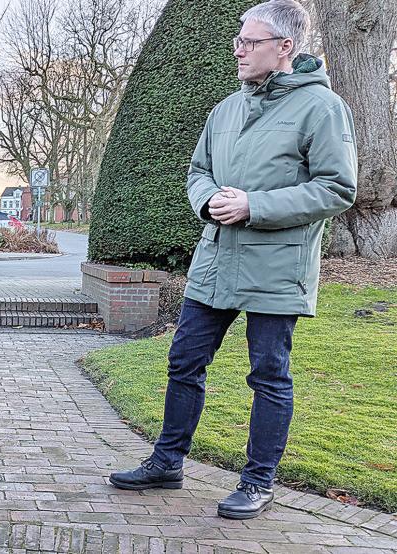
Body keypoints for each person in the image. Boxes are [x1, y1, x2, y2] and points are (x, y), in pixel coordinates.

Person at [108, 0, 357, 520]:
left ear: (285, 47)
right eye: (238, 39)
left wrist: (255, 205)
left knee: (269, 374)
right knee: (184, 361)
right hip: (216, 262)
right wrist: (206, 200)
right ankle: (167, 462)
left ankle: (258, 481)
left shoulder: (322, 108)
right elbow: (198, 169)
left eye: (251, 40)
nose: (238, 48)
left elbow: (337, 188)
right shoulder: (226, 108)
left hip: (276, 267)